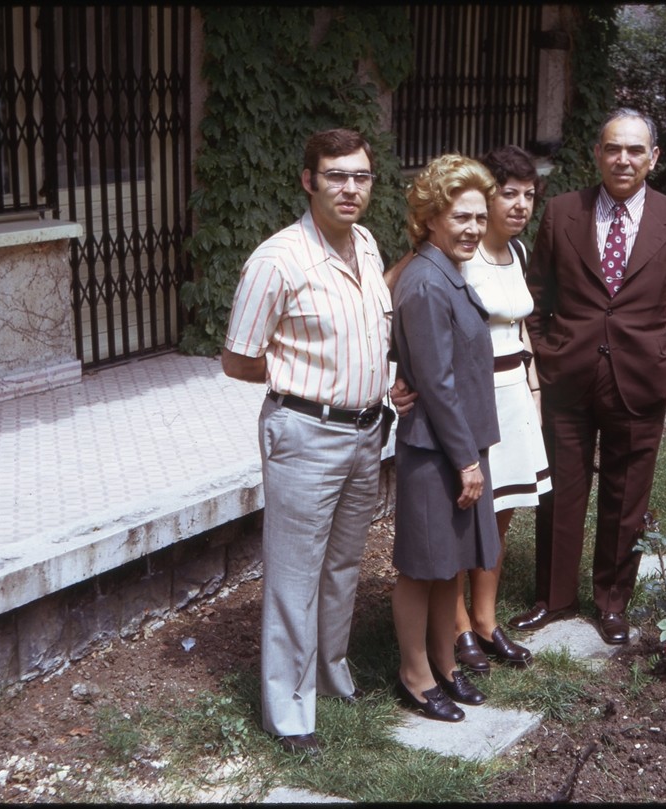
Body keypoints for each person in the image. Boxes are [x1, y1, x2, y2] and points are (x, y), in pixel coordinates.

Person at [221, 128, 401, 758]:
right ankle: (290, 712)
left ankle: (332, 672)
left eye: (361, 176)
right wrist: (304, 387)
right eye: (336, 176)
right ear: (308, 180)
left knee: (344, 565)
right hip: (305, 433)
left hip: (366, 432)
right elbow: (238, 358)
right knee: (294, 576)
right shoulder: (278, 259)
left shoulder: (369, 245)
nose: (350, 188)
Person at [509, 108, 666, 646]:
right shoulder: (561, 212)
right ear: (597, 154)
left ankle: (612, 601)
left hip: (641, 379)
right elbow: (536, 296)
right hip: (568, 375)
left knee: (627, 498)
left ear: (653, 158)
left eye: (635, 150)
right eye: (613, 148)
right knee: (561, 491)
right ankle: (553, 597)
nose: (623, 159)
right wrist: (546, 350)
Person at [390, 154, 501, 722]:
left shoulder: (445, 272)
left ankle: (444, 663)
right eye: (461, 216)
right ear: (431, 217)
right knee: (421, 567)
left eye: (480, 218)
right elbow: (435, 382)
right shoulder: (426, 282)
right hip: (436, 451)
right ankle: (414, 674)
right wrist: (467, 462)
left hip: (456, 447)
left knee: (448, 564)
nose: (473, 229)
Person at [449, 145, 551, 674]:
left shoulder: (519, 254)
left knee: (503, 512)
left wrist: (534, 395)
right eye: (508, 193)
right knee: (468, 513)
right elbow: (399, 296)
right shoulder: (458, 257)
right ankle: (458, 625)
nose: (519, 205)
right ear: (485, 196)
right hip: (472, 396)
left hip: (514, 391)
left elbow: (521, 330)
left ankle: (487, 621)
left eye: (529, 195)